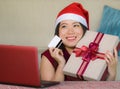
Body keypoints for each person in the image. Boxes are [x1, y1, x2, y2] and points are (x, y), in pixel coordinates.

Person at [40, 2, 118, 82]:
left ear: (84, 30)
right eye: (64, 26)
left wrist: (112, 73)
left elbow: (103, 86)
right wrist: (61, 64)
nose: (70, 31)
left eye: (75, 25)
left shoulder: (93, 53)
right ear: (58, 33)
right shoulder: (48, 56)